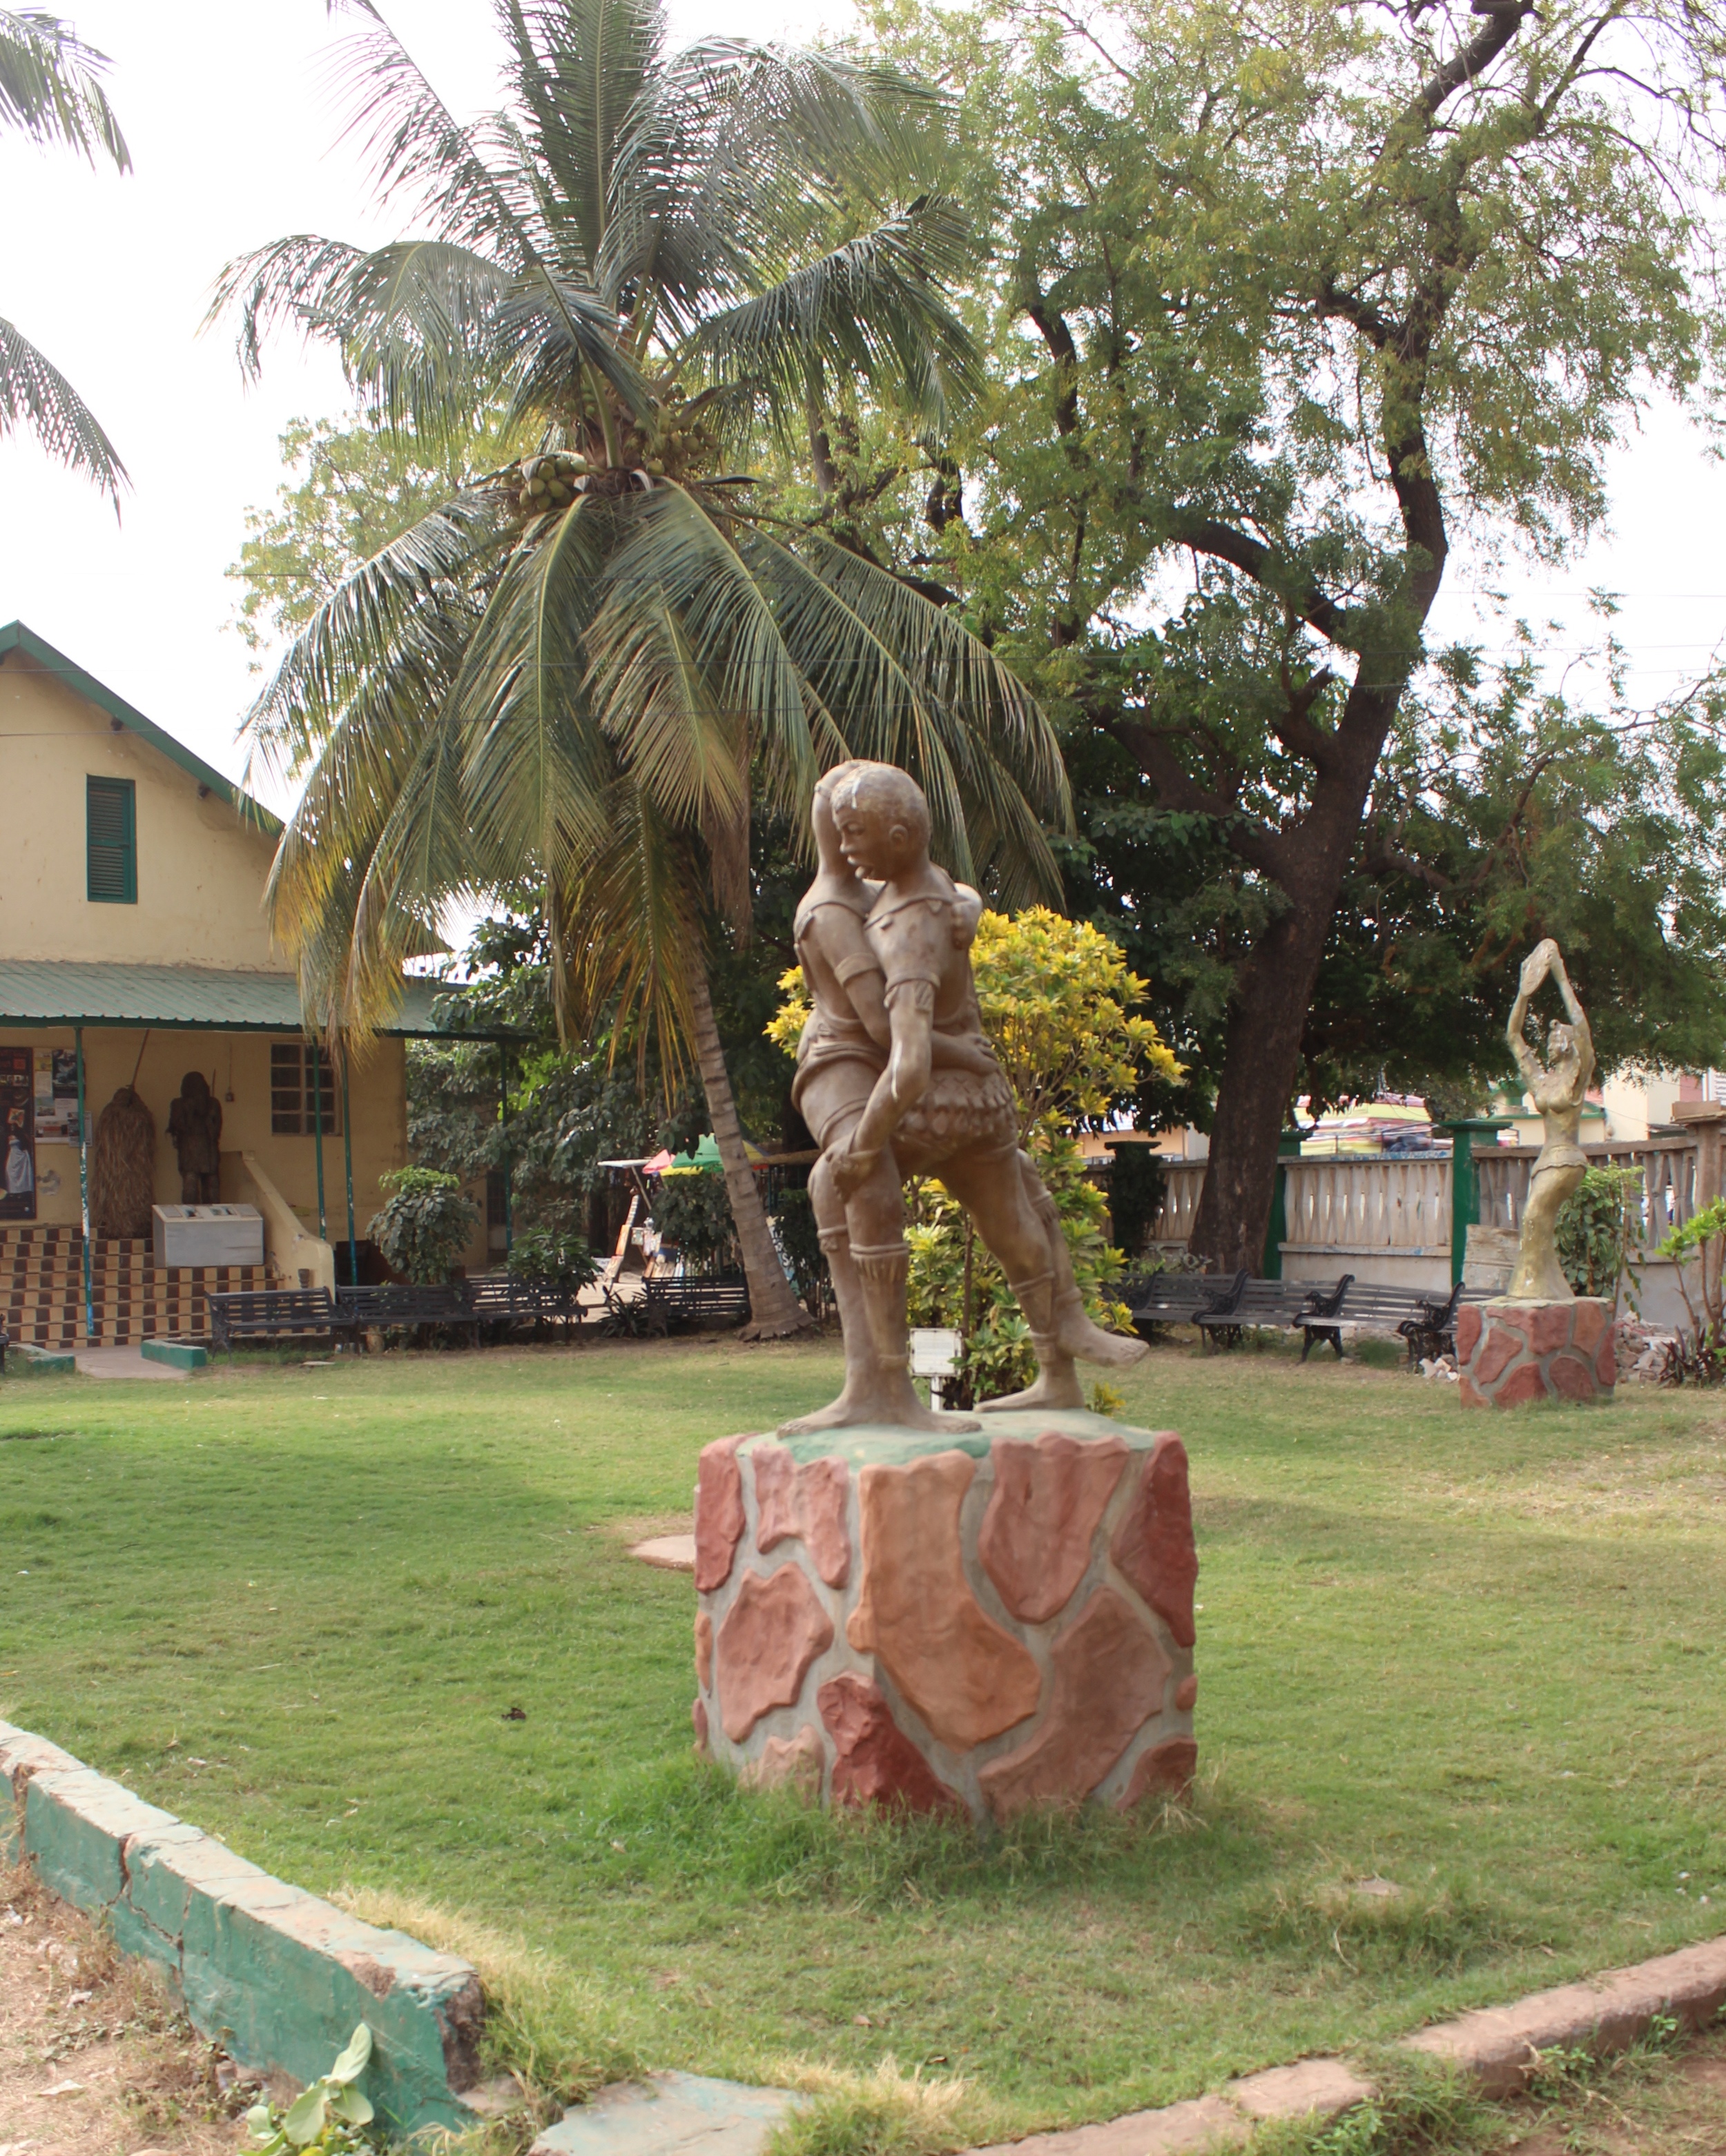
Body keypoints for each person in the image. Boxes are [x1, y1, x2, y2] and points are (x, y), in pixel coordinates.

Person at [783, 760, 1145, 1433]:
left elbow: (899, 1024)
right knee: (881, 1186)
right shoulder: (844, 908)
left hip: (911, 1072)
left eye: (855, 828)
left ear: (895, 837)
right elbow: (879, 1025)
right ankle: (885, 1384)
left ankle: (1035, 1364)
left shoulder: (893, 904)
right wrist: (961, 1050)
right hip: (864, 1068)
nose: (846, 840)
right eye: (841, 827)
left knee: (983, 1189)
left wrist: (966, 908)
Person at [1504, 939, 1594, 1301]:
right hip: (1545, 1162)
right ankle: (1551, 1286)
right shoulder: (1542, 1081)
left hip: (1567, 1160)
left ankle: (1527, 1290)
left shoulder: (1576, 1077)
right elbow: (1513, 1037)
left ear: (1569, 1045)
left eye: (1557, 1037)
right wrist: (1523, 993)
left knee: (1533, 1216)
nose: (1550, 1042)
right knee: (1537, 1224)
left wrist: (1558, 974)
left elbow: (1582, 1027)